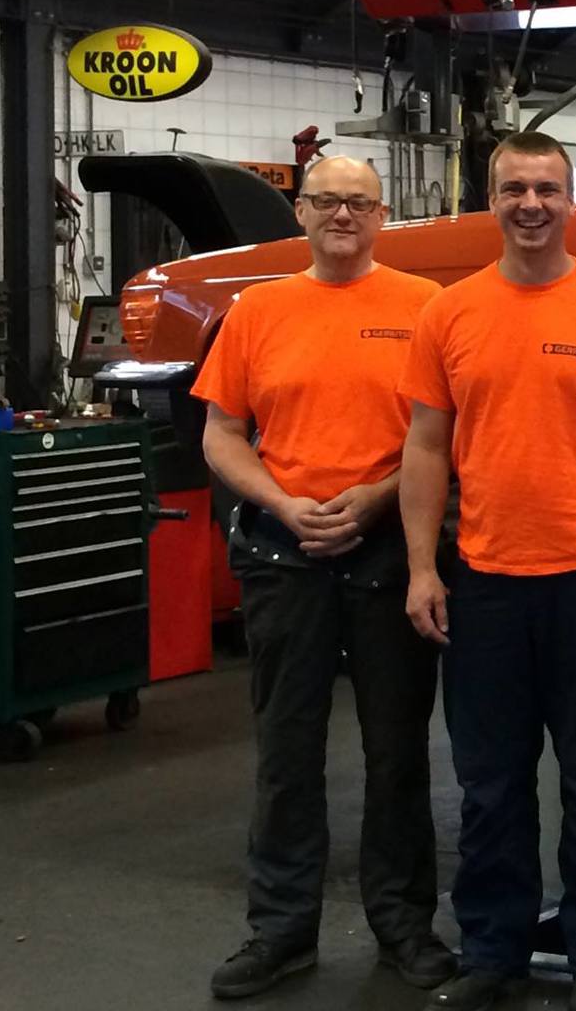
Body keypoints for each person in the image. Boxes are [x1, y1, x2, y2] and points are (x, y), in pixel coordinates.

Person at [400, 130, 576, 1011]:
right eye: (514, 189)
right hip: (485, 584)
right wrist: (422, 569)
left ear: (571, 201)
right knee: (489, 786)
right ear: (491, 200)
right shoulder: (450, 314)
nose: (531, 204)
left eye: (547, 189)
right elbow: (426, 446)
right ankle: (494, 953)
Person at [193, 156, 453, 999]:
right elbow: (222, 433)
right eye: (327, 201)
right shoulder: (257, 310)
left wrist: (376, 499)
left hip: (390, 551)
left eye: (358, 203)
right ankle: (280, 932)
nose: (343, 215)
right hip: (283, 554)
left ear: (382, 217)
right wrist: (282, 501)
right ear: (300, 213)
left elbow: (444, 433)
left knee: (398, 750)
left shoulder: (426, 307)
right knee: (287, 751)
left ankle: (403, 924)